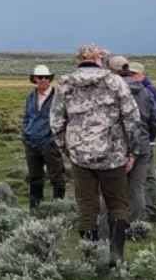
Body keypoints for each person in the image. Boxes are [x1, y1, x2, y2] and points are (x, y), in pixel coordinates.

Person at [50, 43, 144, 264]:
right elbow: (132, 118)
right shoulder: (115, 81)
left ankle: (90, 257)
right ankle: (116, 255)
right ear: (99, 59)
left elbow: (56, 122)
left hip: (80, 156)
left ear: (79, 59)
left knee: (87, 206)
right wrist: (132, 151)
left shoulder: (64, 84)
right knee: (118, 204)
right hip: (113, 155)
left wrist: (67, 149)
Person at [107, 56, 156, 226]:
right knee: (137, 187)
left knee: (112, 186)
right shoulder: (146, 92)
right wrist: (147, 138)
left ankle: (111, 223)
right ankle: (135, 225)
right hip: (142, 146)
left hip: (117, 146)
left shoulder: (110, 91)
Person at [21, 64, 66, 210]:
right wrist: (26, 133)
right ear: (35, 79)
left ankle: (59, 208)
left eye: (47, 77)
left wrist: (55, 139)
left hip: (50, 143)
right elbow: (27, 117)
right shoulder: (30, 97)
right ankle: (35, 208)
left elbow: (64, 118)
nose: (44, 80)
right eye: (40, 77)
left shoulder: (58, 97)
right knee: (34, 177)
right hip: (31, 143)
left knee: (57, 176)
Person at [130, 62, 156, 220]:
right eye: (129, 73)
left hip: (145, 141)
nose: (132, 76)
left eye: (134, 74)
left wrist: (150, 137)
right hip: (142, 140)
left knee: (147, 177)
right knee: (140, 180)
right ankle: (141, 211)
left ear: (142, 75)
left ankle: (150, 210)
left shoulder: (151, 91)